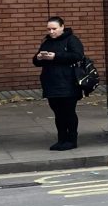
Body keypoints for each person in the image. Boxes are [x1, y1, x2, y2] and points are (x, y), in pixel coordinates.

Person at [32, 15, 86, 151]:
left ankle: (72, 139)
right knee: (58, 113)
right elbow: (36, 62)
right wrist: (38, 57)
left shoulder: (72, 40)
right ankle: (61, 139)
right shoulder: (47, 42)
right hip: (51, 83)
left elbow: (77, 56)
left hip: (68, 82)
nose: (51, 32)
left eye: (54, 29)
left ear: (62, 27)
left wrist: (56, 56)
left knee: (68, 112)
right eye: (49, 29)